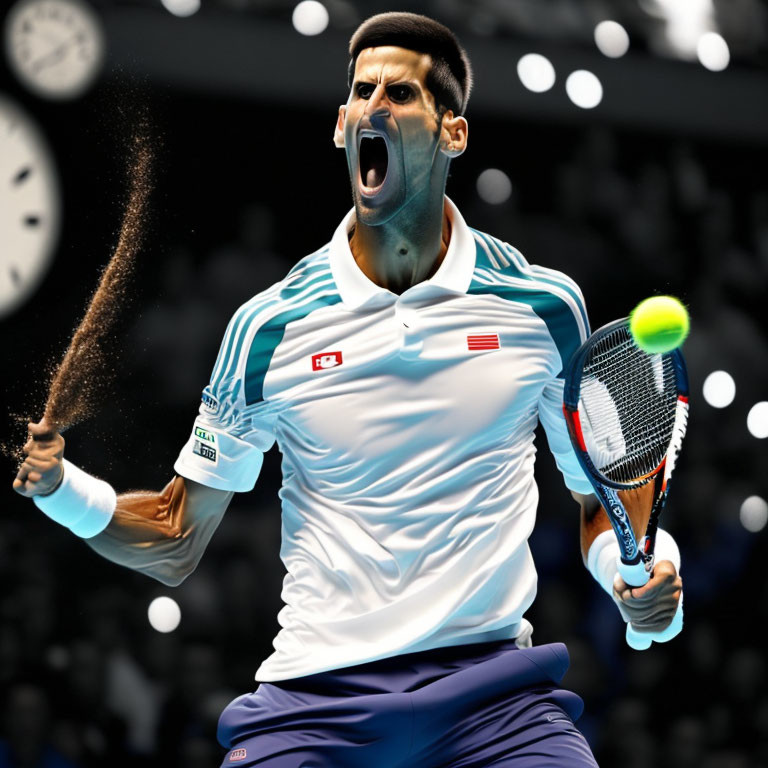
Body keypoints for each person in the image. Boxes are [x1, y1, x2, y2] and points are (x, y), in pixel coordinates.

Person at [13, 12, 683, 767]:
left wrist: (641, 577)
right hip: (314, 707)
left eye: (399, 93)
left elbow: (599, 499)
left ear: (452, 133)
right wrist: (62, 490)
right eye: (361, 93)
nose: (374, 107)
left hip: (493, 704)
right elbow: (174, 536)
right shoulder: (268, 328)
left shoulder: (542, 308)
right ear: (341, 126)